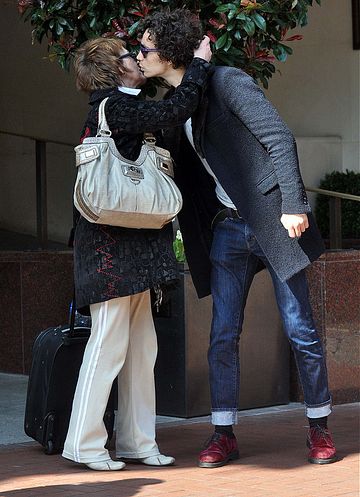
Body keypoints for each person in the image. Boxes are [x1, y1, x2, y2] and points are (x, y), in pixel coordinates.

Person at [138, 8, 337, 468]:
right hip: (228, 228)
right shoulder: (181, 102)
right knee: (222, 334)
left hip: (273, 220)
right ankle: (222, 433)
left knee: (300, 329)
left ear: (168, 52)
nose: (140, 55)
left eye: (146, 48)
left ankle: (319, 427)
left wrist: (294, 204)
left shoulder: (228, 82)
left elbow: (279, 138)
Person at [62, 32, 212, 471]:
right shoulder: (114, 105)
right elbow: (173, 109)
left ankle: (137, 443)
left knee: (141, 349)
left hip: (134, 244)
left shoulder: (124, 104)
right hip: (108, 248)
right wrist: (199, 65)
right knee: (107, 346)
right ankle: (85, 446)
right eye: (131, 55)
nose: (138, 59)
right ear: (115, 69)